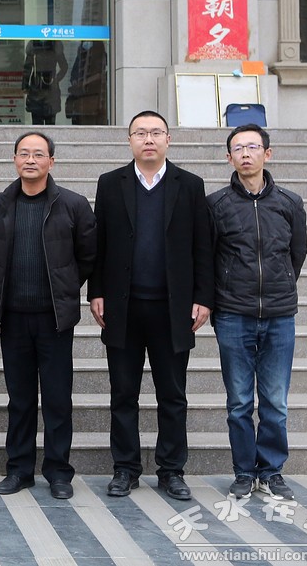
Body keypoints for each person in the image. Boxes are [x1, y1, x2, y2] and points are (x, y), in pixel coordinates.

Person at [88, 110, 214, 501]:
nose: (148, 139)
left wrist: (203, 297)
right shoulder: (111, 183)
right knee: (123, 394)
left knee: (172, 395)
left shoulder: (189, 185)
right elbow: (99, 244)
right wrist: (96, 291)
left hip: (172, 309)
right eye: (140, 133)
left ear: (168, 139)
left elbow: (202, 246)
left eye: (156, 132)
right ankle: (125, 468)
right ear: (129, 140)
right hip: (123, 307)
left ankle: (171, 470)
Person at [0, 132, 96, 499]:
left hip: (54, 319)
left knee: (57, 398)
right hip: (14, 317)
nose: (30, 160)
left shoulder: (73, 204)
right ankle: (19, 469)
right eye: (23, 154)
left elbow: (87, 256)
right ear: (14, 160)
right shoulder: (0, 205)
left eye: (38, 154)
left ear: (52, 161)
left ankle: (58, 472)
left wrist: (65, 287)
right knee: (19, 399)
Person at [208, 124, 307, 501]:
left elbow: (297, 253)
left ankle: (271, 471)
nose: (245, 154)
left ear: (268, 153)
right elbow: (208, 257)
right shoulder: (216, 205)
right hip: (233, 313)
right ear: (229, 157)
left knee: (275, 401)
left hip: (280, 315)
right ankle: (243, 472)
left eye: (252, 147)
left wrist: (280, 283)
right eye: (238, 148)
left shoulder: (289, 203)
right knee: (238, 402)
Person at [22, 40, 68, 125]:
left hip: (50, 90)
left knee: (49, 124)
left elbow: (64, 67)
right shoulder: (34, 45)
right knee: (37, 123)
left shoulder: (55, 45)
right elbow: (27, 68)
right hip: (36, 89)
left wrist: (55, 80)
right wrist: (25, 85)